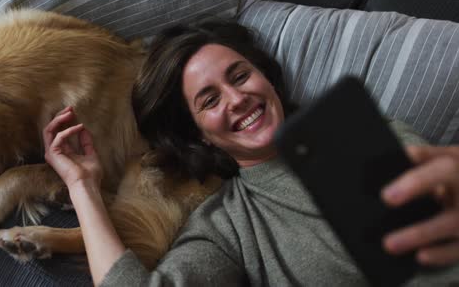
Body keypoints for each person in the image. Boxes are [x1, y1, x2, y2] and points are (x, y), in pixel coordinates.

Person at [43, 20, 459, 286]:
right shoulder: (227, 227)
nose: (237, 98)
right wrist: (83, 186)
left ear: (268, 80)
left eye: (240, 76)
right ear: (199, 134)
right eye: (209, 101)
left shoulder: (369, 132)